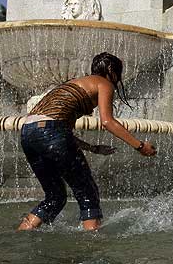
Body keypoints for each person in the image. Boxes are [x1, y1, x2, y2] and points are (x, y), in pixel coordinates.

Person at [18, 52, 156, 231]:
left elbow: (56, 132)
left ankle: (22, 234)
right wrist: (140, 146)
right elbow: (107, 122)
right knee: (88, 193)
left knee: (55, 197)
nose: (118, 78)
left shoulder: (74, 84)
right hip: (51, 131)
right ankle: (92, 243)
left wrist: (92, 148)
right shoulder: (103, 82)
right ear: (111, 71)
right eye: (119, 73)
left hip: (27, 133)